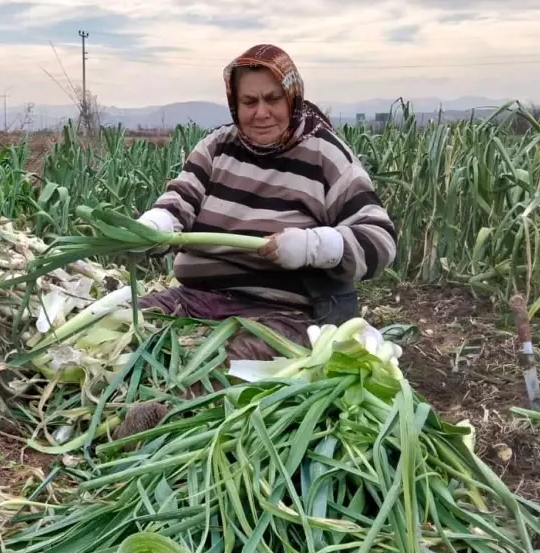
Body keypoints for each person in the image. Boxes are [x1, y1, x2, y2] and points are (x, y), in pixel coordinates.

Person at [133, 44, 398, 362]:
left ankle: (162, 407)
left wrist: (313, 247)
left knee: (217, 370)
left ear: (292, 96)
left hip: (281, 316)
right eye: (249, 102)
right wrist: (154, 225)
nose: (261, 113)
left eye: (273, 99)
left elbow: (380, 239)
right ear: (235, 103)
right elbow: (181, 200)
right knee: (119, 328)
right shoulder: (217, 148)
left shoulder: (325, 155)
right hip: (196, 300)